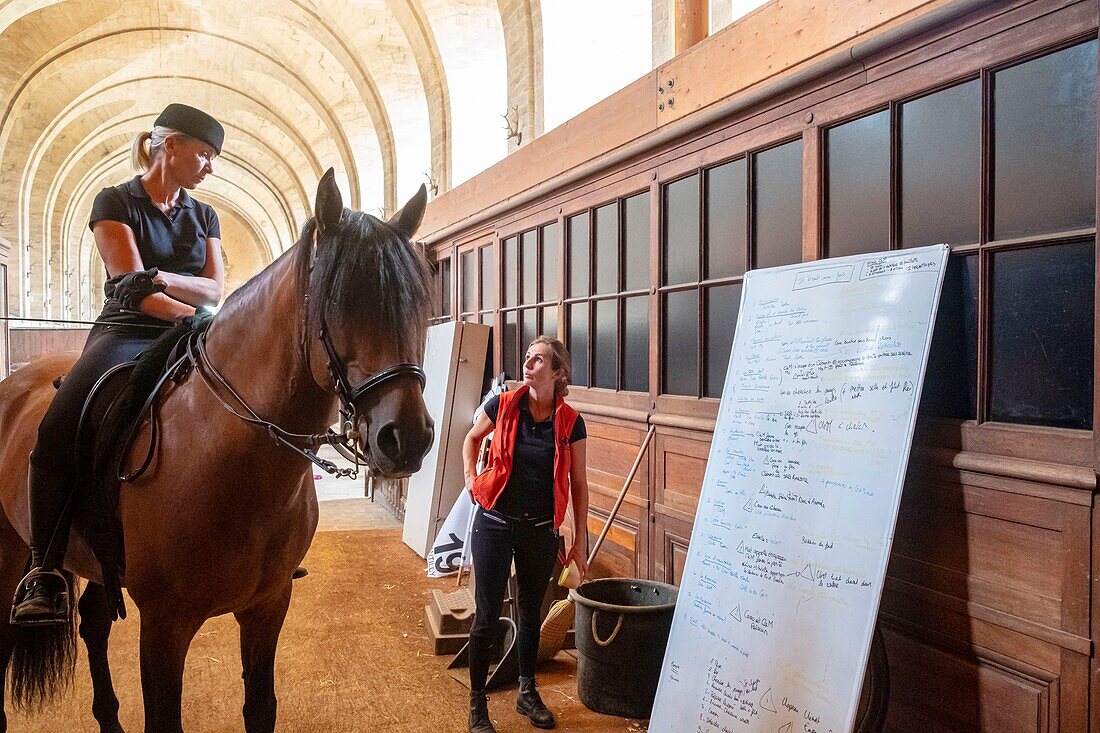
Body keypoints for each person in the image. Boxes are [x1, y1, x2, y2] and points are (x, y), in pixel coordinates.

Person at [11, 103, 226, 625]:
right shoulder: (114, 201)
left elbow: (216, 287)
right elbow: (131, 290)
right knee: (63, 419)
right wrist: (184, 301)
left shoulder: (204, 215)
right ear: (168, 146)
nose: (210, 168)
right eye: (204, 154)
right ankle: (43, 571)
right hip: (126, 330)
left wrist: (163, 280)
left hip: (192, 328)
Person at [461, 337, 590, 732]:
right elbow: (471, 438)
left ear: (557, 373)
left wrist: (580, 540)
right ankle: (477, 703)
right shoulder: (501, 404)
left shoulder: (571, 422)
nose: (528, 362)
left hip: (539, 531)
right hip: (494, 524)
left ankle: (526, 691)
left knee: (530, 614)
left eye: (538, 359)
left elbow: (579, 484)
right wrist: (470, 478)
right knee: (486, 616)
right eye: (528, 357)